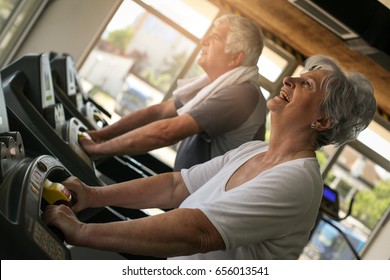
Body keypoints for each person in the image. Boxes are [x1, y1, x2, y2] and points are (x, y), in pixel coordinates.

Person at [43, 55, 376, 259]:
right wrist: (92, 195)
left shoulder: (298, 180)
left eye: (307, 84)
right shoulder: (257, 150)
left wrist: (82, 232)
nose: (289, 79)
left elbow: (198, 232)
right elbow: (177, 186)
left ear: (322, 121)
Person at [79, 14, 267, 171]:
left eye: (215, 38)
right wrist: (101, 135)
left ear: (235, 57)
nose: (204, 41)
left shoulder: (242, 95)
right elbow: (159, 112)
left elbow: (166, 132)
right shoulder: (217, 83)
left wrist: (99, 149)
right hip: (185, 191)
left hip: (201, 202)